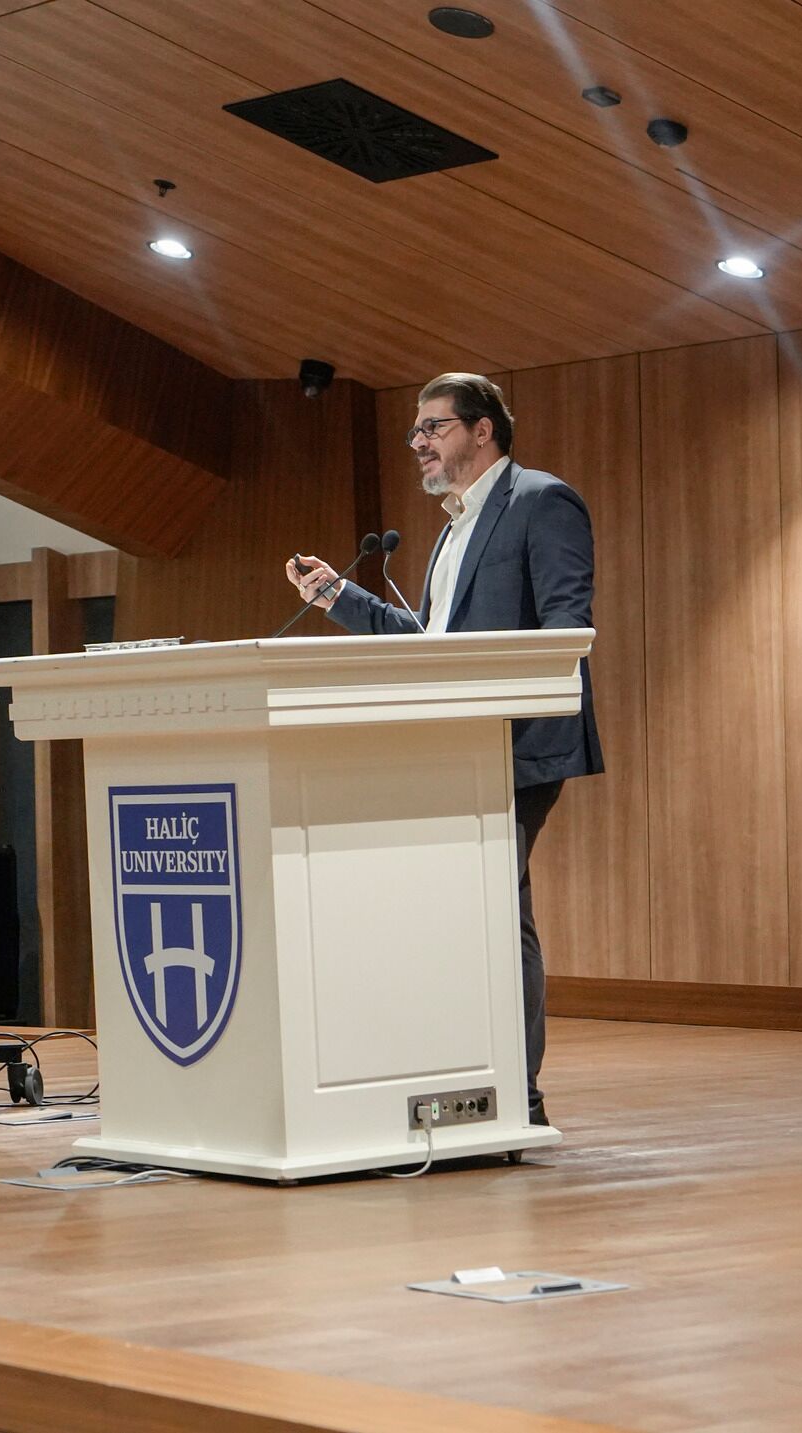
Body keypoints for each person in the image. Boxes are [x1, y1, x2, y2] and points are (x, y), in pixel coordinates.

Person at [283, 373, 603, 1127]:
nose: (419, 443)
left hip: (517, 743)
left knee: (492, 908)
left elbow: (566, 627)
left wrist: (502, 703)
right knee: (491, 911)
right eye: (415, 431)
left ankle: (517, 1097)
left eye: (434, 427)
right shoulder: (452, 528)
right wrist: (339, 597)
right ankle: (489, 1087)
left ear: (482, 429)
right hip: (455, 745)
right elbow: (431, 645)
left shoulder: (540, 501)